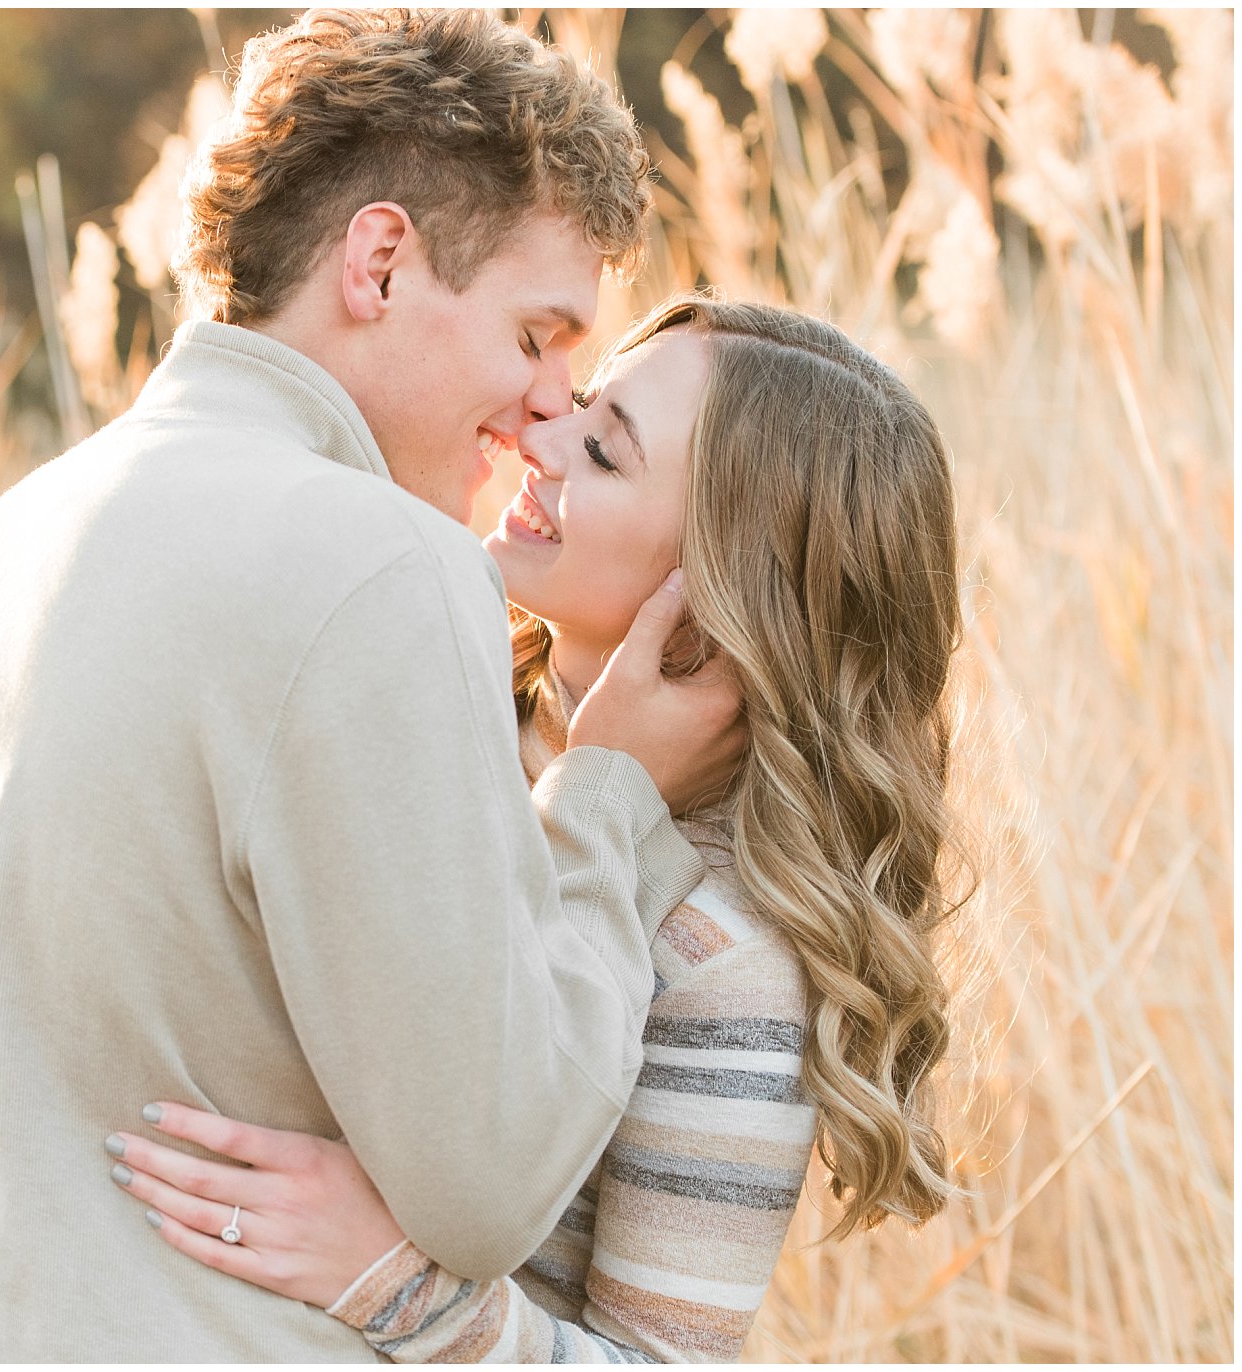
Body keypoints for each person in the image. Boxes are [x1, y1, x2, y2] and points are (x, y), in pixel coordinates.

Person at [0, 10, 744, 1360]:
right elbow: (488, 1185)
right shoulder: (389, 567)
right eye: (534, 335)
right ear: (382, 261)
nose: (545, 406)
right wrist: (614, 803)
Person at [106, 296, 965, 1362]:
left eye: (602, 451)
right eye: (581, 401)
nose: (533, 430)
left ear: (716, 590)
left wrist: (393, 1284)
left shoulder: (719, 962)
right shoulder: (411, 717)